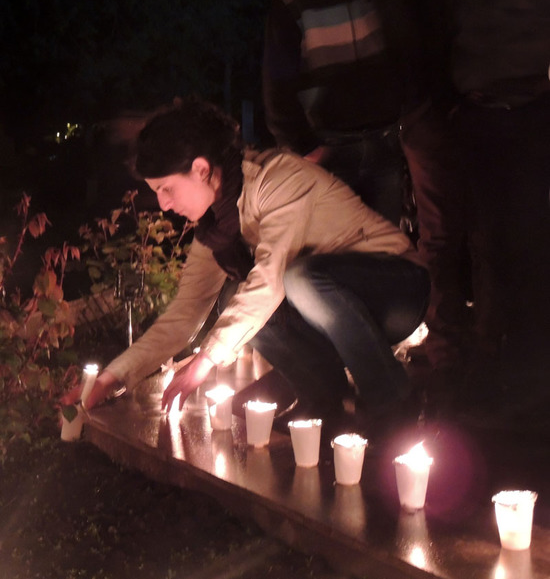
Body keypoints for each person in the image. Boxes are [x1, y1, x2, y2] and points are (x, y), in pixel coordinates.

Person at [64, 97, 430, 439]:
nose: (163, 204)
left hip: (397, 291)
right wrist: (111, 379)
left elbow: (269, 281)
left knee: (297, 279)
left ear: (201, 169)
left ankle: (392, 401)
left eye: (167, 189)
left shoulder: (278, 180)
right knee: (235, 299)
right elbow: (185, 313)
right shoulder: (218, 228)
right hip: (336, 308)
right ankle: (323, 399)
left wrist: (203, 362)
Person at [402, 0, 550, 420]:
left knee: (507, 240)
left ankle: (498, 359)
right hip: (461, 109)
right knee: (451, 239)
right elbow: (431, 25)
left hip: (524, 109)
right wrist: (440, 105)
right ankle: (458, 360)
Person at [262, 0, 424, 227]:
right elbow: (277, 85)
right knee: (336, 246)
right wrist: (302, 145)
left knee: (384, 245)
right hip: (328, 151)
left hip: (383, 143)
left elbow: (407, 49)